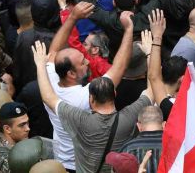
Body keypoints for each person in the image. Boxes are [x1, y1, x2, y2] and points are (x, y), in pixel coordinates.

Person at [34, 40, 154, 173]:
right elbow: (151, 89)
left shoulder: (79, 120)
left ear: (91, 99)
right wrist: (150, 53)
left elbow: (48, 97)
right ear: (114, 93)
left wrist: (40, 65)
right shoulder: (129, 117)